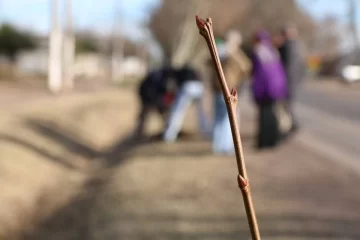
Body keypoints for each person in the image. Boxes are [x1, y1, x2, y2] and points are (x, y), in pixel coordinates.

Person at [210, 30, 252, 155]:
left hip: (218, 89)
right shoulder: (234, 53)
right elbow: (246, 66)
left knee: (219, 119)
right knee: (230, 119)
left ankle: (218, 146)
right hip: (228, 91)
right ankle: (225, 147)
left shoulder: (218, 50)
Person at [251, 30, 287, 150]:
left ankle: (264, 142)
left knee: (264, 115)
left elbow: (259, 74)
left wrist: (257, 92)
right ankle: (272, 140)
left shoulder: (258, 51)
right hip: (276, 88)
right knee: (272, 114)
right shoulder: (273, 51)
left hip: (265, 89)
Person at [163, 64, 208, 143]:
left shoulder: (176, 74)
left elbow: (175, 88)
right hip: (199, 87)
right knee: (201, 113)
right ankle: (206, 132)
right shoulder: (190, 70)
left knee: (178, 112)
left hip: (188, 87)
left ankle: (169, 135)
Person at [278, 25, 306, 137]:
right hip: (294, 81)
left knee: (287, 106)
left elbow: (285, 66)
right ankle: (292, 125)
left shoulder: (287, 47)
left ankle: (292, 125)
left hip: (288, 81)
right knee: (289, 105)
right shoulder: (299, 46)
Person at [134, 65, 177, 139]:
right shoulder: (158, 79)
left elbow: (166, 93)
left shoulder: (162, 78)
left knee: (164, 113)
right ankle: (139, 134)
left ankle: (168, 131)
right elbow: (150, 91)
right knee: (145, 114)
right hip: (147, 96)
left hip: (153, 96)